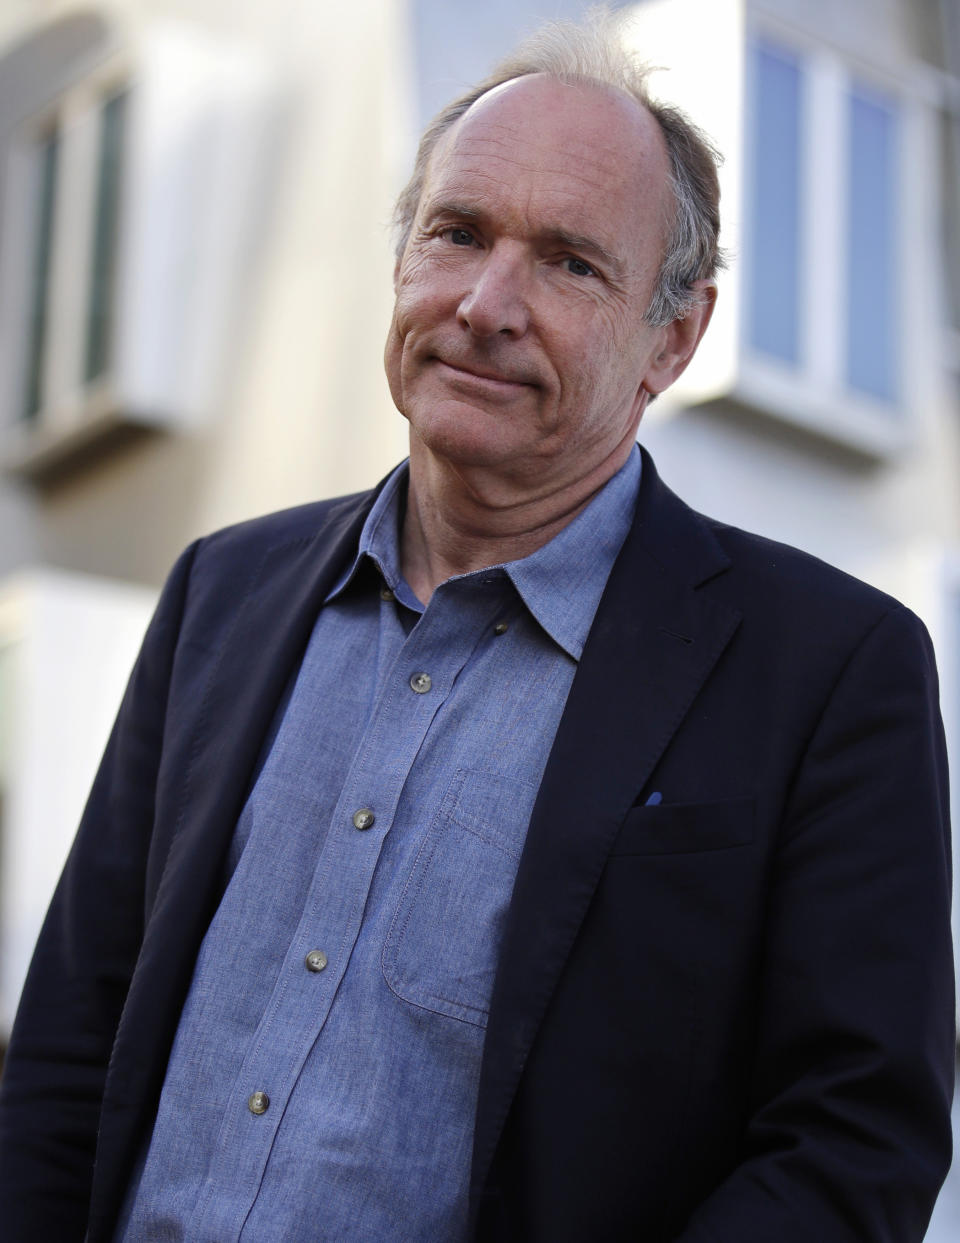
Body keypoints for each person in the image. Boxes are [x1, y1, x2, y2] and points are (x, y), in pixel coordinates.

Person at [0, 15, 953, 1243]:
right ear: (403, 261)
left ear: (674, 336)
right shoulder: (218, 595)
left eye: (568, 263)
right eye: (457, 233)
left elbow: (853, 1139)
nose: (487, 303)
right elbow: (73, 1036)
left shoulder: (827, 671)